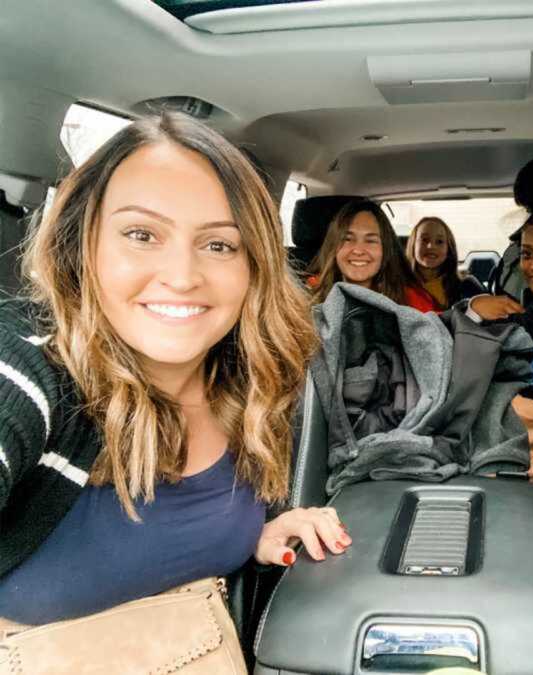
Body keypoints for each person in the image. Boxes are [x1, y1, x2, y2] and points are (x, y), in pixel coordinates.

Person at [0, 113, 350, 647]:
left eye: (218, 245)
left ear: (254, 265)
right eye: (142, 235)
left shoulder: (256, 385)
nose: (183, 275)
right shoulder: (27, 369)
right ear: (81, 246)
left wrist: (248, 537)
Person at [309, 200, 438, 312]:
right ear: (334, 247)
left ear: (385, 249)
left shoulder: (414, 303)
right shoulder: (307, 296)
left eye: (370, 241)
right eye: (347, 239)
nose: (358, 251)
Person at [405, 216, 482, 310]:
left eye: (439, 242)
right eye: (424, 239)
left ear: (448, 249)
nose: (431, 246)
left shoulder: (467, 287)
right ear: (413, 245)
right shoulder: (397, 287)